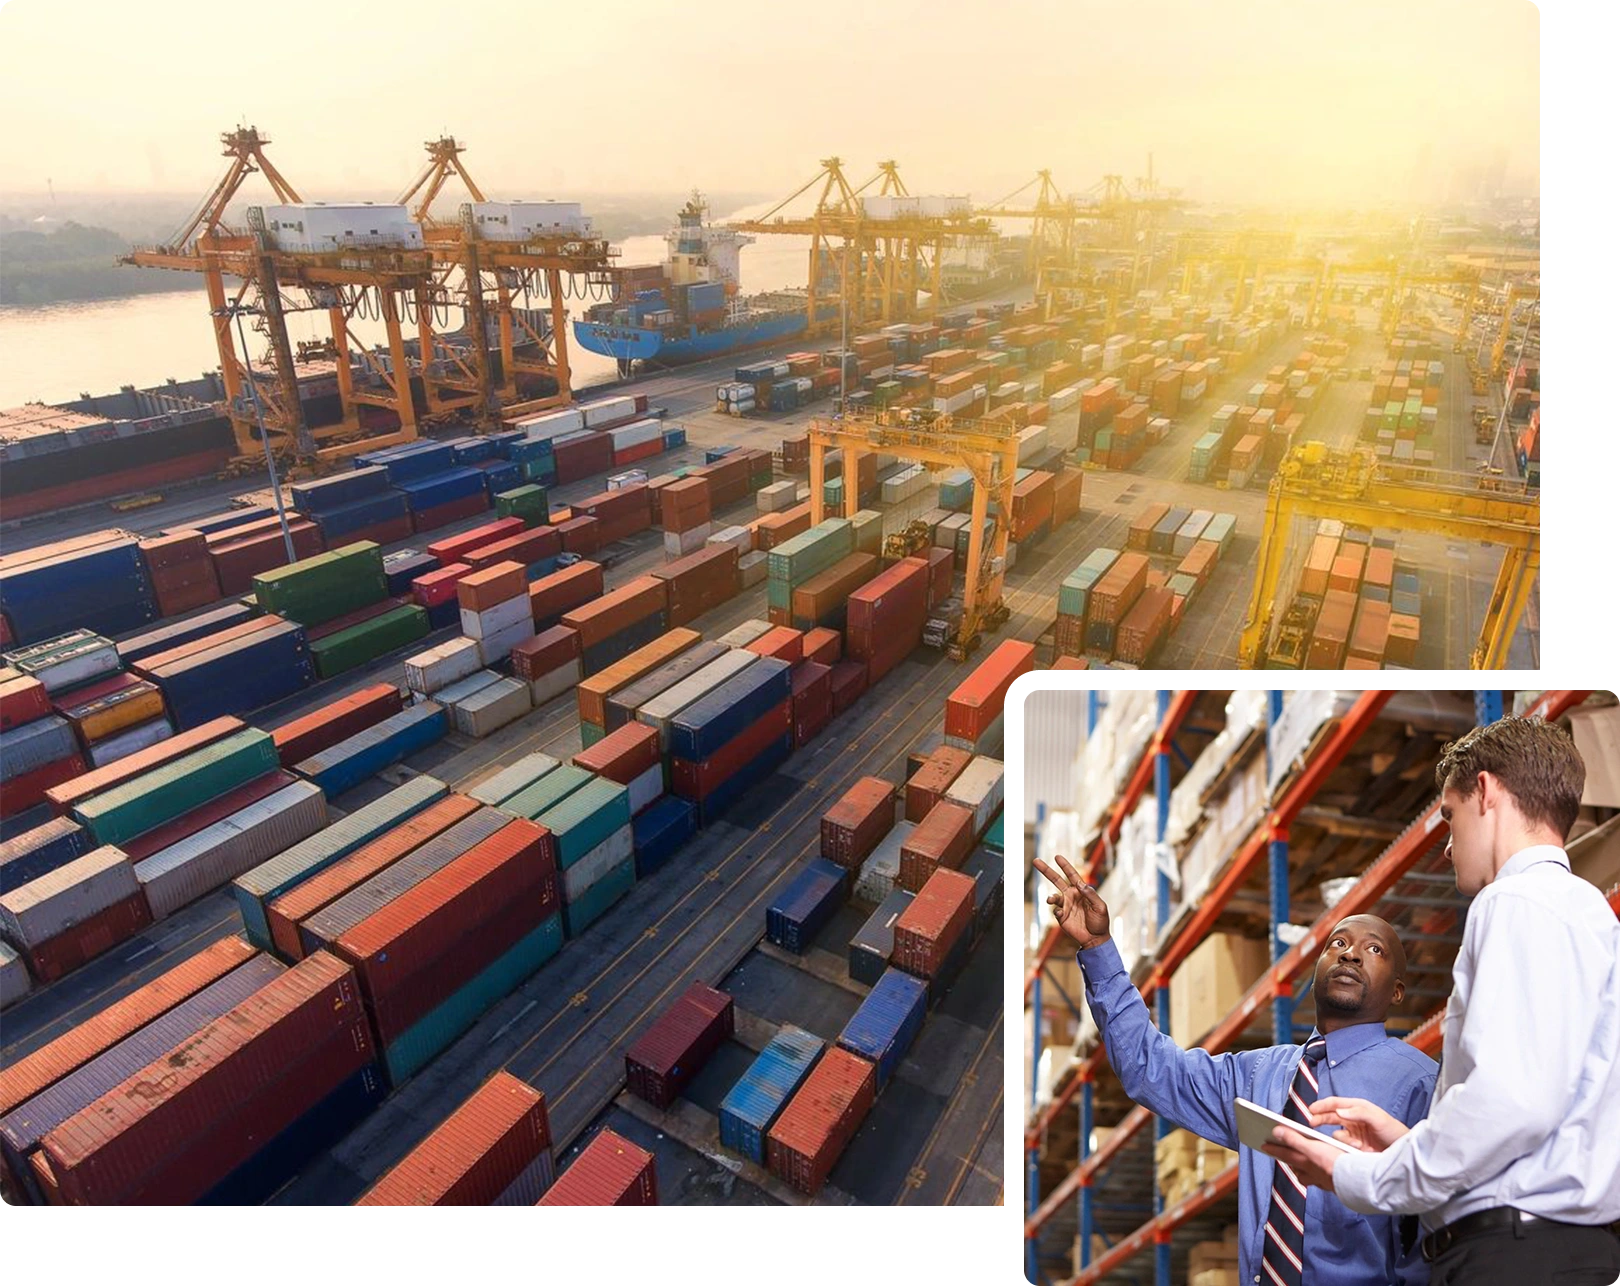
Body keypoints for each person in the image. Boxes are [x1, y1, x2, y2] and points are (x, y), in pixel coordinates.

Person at [1261, 715, 1620, 1285]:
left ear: (1486, 791)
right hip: (1562, 1249)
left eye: (1450, 817)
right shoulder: (1588, 912)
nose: (1449, 845)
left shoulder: (1514, 902)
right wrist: (1408, 1144)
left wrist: (1354, 1175)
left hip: (1512, 1256)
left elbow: (1511, 1103)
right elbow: (1542, 1112)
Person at [1033, 850, 1435, 1286]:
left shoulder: (1419, 1082)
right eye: (1337, 943)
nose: (1350, 955)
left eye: (1373, 949)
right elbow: (1151, 1068)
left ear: (1397, 992)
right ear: (1315, 969)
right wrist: (1098, 949)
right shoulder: (1260, 1075)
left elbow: (1439, 1233)